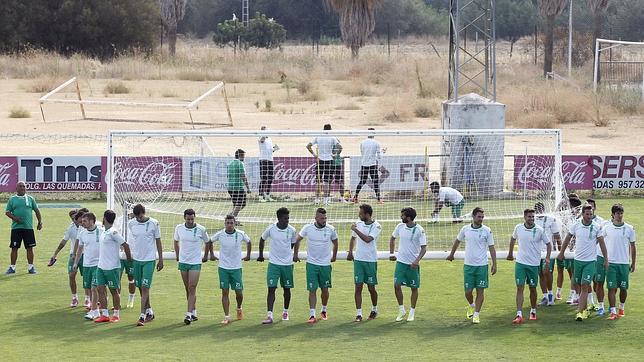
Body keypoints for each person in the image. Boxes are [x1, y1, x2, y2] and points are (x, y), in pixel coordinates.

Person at [557, 204, 608, 321]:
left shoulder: (596, 227)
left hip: (590, 262)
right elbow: (567, 239)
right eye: (587, 214)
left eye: (591, 214)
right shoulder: (576, 225)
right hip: (578, 261)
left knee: (585, 285)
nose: (590, 216)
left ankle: (579, 312)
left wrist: (606, 259)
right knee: (577, 285)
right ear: (582, 214)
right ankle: (584, 310)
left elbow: (602, 244)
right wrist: (561, 253)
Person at [447, 207, 497, 324]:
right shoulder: (465, 229)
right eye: (479, 217)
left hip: (482, 266)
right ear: (473, 217)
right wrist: (451, 254)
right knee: (468, 292)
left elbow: (492, 247)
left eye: (482, 217)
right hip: (468, 266)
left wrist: (494, 264)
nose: (481, 219)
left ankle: (476, 314)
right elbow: (457, 241)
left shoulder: (487, 230)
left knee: (480, 291)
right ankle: (471, 305)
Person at [507, 209, 551, 324]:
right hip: (520, 263)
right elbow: (512, 239)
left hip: (533, 264)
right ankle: (519, 314)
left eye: (533, 217)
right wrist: (510, 253)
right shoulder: (518, 228)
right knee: (520, 287)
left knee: (532, 288)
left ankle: (533, 310)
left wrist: (547, 259)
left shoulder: (539, 230)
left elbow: (549, 244)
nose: (531, 219)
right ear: (524, 217)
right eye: (529, 217)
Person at [295, 207, 338, 323]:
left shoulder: (331, 229)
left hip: (325, 265)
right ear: (316, 218)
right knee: (312, 289)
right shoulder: (307, 228)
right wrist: (295, 254)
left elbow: (335, 241)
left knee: (325, 289)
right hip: (312, 264)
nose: (324, 220)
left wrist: (334, 256)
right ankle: (312, 314)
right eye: (321, 218)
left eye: (325, 218)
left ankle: (324, 309)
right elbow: (297, 239)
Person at [207, 215, 251, 325]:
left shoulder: (240, 234)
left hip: (236, 268)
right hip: (223, 268)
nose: (229, 225)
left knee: (239, 293)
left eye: (231, 223)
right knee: (225, 292)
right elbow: (209, 241)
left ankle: (239, 308)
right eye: (227, 223)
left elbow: (249, 242)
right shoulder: (220, 234)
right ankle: (226, 316)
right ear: (225, 224)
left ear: (235, 223)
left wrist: (248, 255)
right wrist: (211, 254)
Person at [257, 207, 298, 324]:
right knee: (271, 289)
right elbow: (262, 239)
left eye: (288, 218)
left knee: (287, 289)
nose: (287, 221)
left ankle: (285, 312)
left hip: (287, 265)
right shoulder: (271, 229)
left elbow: (293, 243)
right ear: (279, 218)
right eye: (285, 218)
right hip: (274, 264)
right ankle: (269, 315)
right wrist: (260, 255)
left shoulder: (292, 230)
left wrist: (287, 256)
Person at [127, 204, 164, 327]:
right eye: (137, 217)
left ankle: (142, 316)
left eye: (141, 216)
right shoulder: (132, 223)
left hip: (149, 260)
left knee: (144, 287)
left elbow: (158, 241)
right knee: (140, 287)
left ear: (145, 212)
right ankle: (149, 311)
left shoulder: (154, 223)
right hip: (137, 260)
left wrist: (161, 259)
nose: (139, 219)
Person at [94, 210, 132, 323]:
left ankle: (116, 314)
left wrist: (129, 260)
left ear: (105, 218)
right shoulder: (104, 232)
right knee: (100, 289)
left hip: (112, 267)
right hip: (101, 266)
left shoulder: (113, 232)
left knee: (113, 290)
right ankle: (104, 314)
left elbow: (125, 244)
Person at [389, 207, 427, 322]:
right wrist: (392, 253)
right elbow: (392, 238)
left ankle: (412, 311)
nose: (401, 217)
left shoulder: (419, 230)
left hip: (412, 264)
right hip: (401, 262)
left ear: (409, 218)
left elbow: (424, 248)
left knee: (414, 288)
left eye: (403, 215)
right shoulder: (400, 227)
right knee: (397, 285)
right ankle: (401, 310)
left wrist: (416, 261)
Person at [173, 209, 209, 325]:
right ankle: (194, 311)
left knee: (192, 286)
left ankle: (188, 314)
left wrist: (206, 256)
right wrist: (178, 255)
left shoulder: (201, 229)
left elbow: (208, 242)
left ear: (195, 218)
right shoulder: (179, 228)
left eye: (192, 219)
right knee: (187, 288)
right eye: (188, 219)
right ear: (184, 218)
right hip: (183, 262)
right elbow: (175, 241)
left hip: (195, 262)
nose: (190, 221)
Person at [347, 204, 382, 322]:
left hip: (370, 260)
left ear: (367, 214)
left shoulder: (376, 226)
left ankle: (374, 309)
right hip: (359, 260)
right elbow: (353, 239)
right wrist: (350, 252)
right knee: (358, 287)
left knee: (371, 288)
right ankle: (359, 313)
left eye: (361, 213)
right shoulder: (358, 223)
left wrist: (355, 229)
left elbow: (368, 240)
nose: (359, 215)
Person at [602, 204, 636, 320]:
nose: (620, 215)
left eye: (621, 213)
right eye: (617, 213)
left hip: (624, 263)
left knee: (623, 288)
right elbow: (599, 241)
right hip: (611, 263)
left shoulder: (629, 228)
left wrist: (633, 263)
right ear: (612, 215)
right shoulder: (606, 228)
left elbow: (633, 246)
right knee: (611, 288)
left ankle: (621, 308)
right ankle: (612, 311)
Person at [48, 209, 85, 307]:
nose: (75, 220)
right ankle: (74, 298)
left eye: (76, 218)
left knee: (87, 277)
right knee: (71, 275)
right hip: (73, 255)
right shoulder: (70, 228)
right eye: (72, 219)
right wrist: (55, 254)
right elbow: (63, 242)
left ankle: (88, 299)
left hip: (86, 255)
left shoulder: (86, 226)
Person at [5, 181, 42, 275]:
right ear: (16, 188)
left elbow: (37, 210)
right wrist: (15, 218)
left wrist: (39, 222)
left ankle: (31, 267)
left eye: (24, 186)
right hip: (16, 228)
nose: (22, 188)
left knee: (30, 248)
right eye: (20, 186)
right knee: (14, 248)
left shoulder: (30, 199)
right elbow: (7, 212)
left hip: (28, 228)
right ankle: (12, 267)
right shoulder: (12, 199)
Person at [72, 212, 102, 321]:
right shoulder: (82, 233)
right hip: (86, 265)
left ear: (91, 221)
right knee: (89, 287)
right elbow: (80, 249)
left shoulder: (101, 231)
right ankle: (98, 309)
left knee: (94, 288)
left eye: (84, 221)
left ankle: (94, 310)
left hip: (98, 264)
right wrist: (76, 262)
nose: (82, 223)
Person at [306, 124, 342, 205]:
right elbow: (340, 147)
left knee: (318, 181)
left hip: (320, 160)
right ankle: (325, 200)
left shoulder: (318, 137)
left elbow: (308, 146)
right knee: (326, 182)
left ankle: (317, 199)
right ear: (330, 129)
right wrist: (335, 155)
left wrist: (314, 155)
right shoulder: (332, 137)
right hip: (329, 161)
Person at [534, 202, 561, 306]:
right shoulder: (533, 220)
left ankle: (550, 295)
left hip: (549, 251)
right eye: (537, 210)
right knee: (540, 273)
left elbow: (557, 235)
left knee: (547, 272)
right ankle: (545, 296)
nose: (539, 212)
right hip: (536, 252)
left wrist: (560, 251)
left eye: (540, 210)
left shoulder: (550, 219)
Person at [586, 198, 607, 314]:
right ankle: (591, 302)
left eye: (592, 206)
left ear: (595, 208)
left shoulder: (601, 222)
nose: (590, 208)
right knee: (587, 280)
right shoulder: (580, 221)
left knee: (597, 281)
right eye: (588, 206)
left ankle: (599, 303)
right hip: (587, 256)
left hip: (597, 255)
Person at [353, 128, 383, 204]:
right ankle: (379, 199)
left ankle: (355, 197)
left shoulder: (362, 142)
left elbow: (362, 153)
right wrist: (382, 152)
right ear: (374, 133)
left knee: (362, 181)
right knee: (376, 182)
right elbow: (379, 157)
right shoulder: (376, 143)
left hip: (364, 164)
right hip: (372, 164)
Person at [562, 196, 582, 305]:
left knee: (575, 273)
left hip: (577, 250)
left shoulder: (580, 219)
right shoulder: (567, 217)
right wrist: (562, 202)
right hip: (568, 250)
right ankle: (575, 292)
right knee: (570, 271)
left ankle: (573, 294)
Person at [227, 149, 252, 220]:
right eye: (243, 156)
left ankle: (232, 217)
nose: (244, 158)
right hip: (238, 187)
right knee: (241, 204)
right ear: (240, 155)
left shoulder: (230, 164)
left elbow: (228, 176)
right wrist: (248, 188)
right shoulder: (240, 163)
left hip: (230, 187)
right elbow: (243, 176)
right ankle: (231, 219)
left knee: (236, 205)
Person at [258, 125, 279, 202]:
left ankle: (267, 195)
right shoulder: (260, 137)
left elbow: (270, 150)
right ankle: (260, 196)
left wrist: (275, 149)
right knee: (263, 178)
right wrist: (265, 133)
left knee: (270, 178)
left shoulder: (270, 139)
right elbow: (262, 140)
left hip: (270, 160)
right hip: (263, 160)